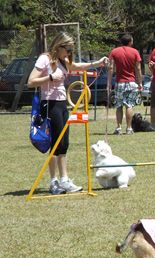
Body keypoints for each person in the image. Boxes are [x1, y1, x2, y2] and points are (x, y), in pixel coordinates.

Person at [28, 32, 109, 194]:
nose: (70, 52)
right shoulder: (45, 59)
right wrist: (51, 77)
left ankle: (64, 180)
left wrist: (97, 63)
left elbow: (77, 66)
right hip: (49, 104)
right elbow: (31, 82)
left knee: (64, 143)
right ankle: (54, 181)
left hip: (61, 104)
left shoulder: (62, 60)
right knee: (55, 144)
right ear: (59, 46)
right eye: (68, 49)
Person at [108, 33, 143, 135]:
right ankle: (129, 128)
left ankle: (118, 128)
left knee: (119, 106)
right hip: (131, 82)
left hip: (120, 82)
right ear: (130, 42)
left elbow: (110, 67)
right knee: (129, 105)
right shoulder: (135, 52)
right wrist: (140, 82)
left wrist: (109, 83)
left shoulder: (114, 51)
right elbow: (138, 68)